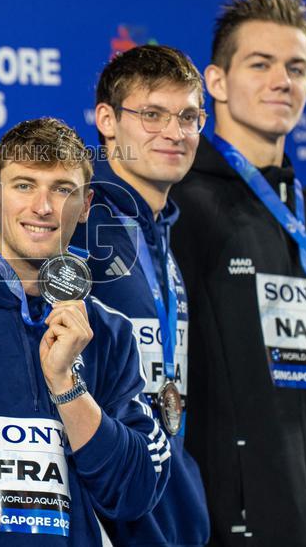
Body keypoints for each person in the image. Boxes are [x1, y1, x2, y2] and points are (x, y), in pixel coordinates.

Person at [0, 117, 170, 546]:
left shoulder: (107, 331)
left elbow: (136, 491)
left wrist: (67, 386)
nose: (43, 207)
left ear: (85, 206)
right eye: (24, 185)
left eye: (62, 189)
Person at [169, 0, 306, 546]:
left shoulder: (305, 208)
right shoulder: (181, 199)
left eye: (296, 67)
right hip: (222, 518)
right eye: (260, 65)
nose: (282, 81)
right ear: (216, 83)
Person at [86, 44, 209, 545]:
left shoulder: (160, 234)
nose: (175, 133)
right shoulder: (74, 221)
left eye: (189, 117)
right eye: (152, 114)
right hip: (105, 515)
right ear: (107, 120)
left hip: (170, 514)